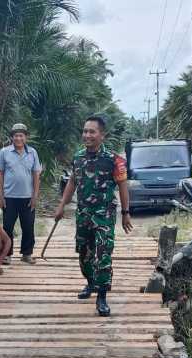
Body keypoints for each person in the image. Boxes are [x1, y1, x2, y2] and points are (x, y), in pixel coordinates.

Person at [53, 116, 133, 317]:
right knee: (84, 254)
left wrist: (125, 213)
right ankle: (90, 283)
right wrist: (62, 205)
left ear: (102, 135)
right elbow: (72, 181)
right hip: (83, 214)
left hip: (104, 215)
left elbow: (123, 186)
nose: (87, 135)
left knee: (103, 255)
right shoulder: (78, 157)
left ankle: (102, 296)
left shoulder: (114, 160)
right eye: (85, 131)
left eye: (92, 132)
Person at [0, 123, 42, 265]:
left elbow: (36, 174)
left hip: (27, 197)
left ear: (25, 137)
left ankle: (26, 254)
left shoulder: (32, 152)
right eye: (16, 135)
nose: (18, 138)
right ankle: (7, 254)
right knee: (7, 227)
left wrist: (35, 196)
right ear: (12, 137)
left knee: (28, 226)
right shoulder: (4, 152)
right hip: (9, 197)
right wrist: (1, 196)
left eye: (21, 135)